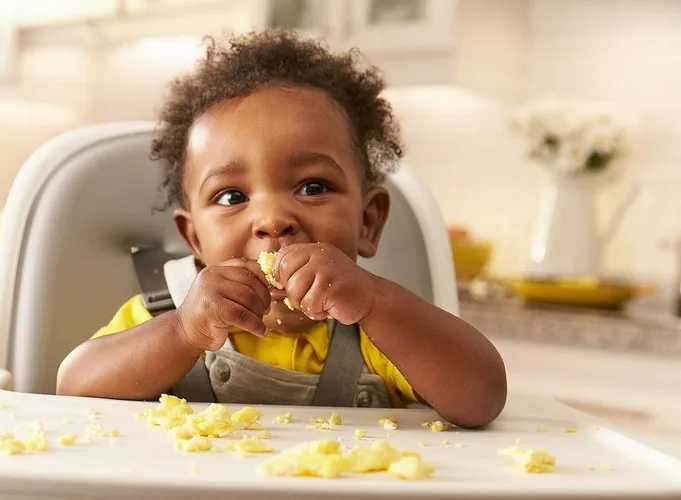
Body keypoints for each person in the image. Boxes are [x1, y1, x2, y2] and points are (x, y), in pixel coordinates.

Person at [57, 30, 507, 428]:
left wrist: (374, 302)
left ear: (368, 221)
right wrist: (182, 334)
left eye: (313, 187)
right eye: (232, 196)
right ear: (194, 239)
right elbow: (73, 387)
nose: (272, 219)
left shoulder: (380, 329)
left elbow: (482, 398)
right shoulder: (169, 314)